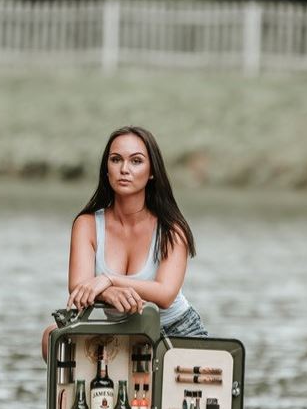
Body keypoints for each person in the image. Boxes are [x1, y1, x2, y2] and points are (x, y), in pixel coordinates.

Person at [42, 126, 207, 361]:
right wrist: (108, 294)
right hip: (121, 335)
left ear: (152, 172)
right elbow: (79, 287)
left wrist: (108, 279)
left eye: (136, 161)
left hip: (176, 332)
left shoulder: (171, 229)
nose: (124, 169)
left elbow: (165, 294)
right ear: (106, 169)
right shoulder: (87, 224)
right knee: (51, 337)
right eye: (116, 159)